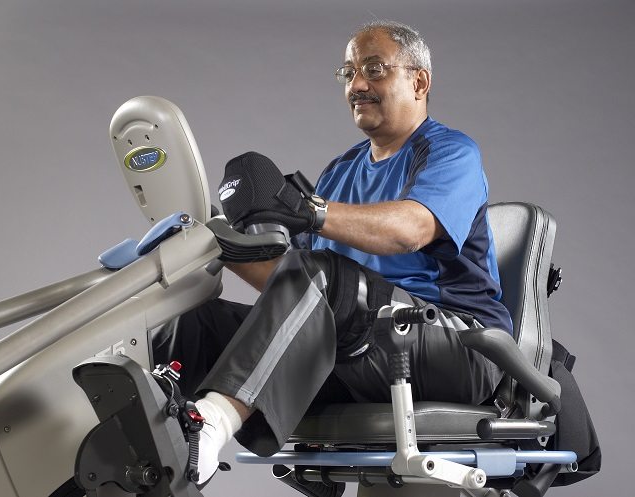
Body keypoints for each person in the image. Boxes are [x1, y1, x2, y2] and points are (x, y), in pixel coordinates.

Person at [152, 20, 512, 486]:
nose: (357, 85)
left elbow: (411, 229)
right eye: (348, 73)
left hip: (457, 345)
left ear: (419, 82)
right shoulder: (341, 170)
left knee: (329, 277)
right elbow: (291, 283)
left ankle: (209, 427)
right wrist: (218, 244)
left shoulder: (450, 152)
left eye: (374, 69)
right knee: (198, 323)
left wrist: (310, 210)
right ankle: (151, 448)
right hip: (358, 344)